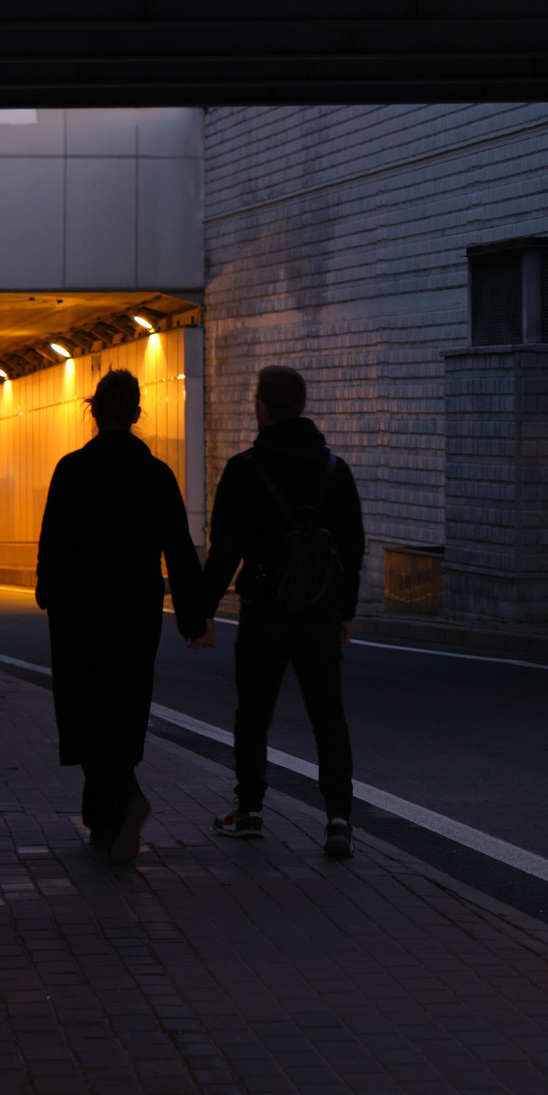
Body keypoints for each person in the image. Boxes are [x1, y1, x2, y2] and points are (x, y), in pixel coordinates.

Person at [192, 365, 366, 859]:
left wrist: (202, 611)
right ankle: (338, 820)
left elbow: (225, 549)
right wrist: (345, 610)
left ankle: (249, 811)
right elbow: (352, 547)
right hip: (319, 617)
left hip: (265, 611)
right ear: (302, 406)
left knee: (254, 714)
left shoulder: (245, 468)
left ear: (262, 407)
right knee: (328, 718)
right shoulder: (335, 471)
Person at [34, 369, 207, 864]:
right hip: (135, 608)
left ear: (94, 413)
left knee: (87, 706)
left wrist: (49, 591)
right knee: (126, 705)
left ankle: (120, 805)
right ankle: (104, 819)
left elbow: (53, 541)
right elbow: (179, 549)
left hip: (79, 611)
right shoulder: (156, 475)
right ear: (135, 415)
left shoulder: (71, 470)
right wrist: (193, 618)